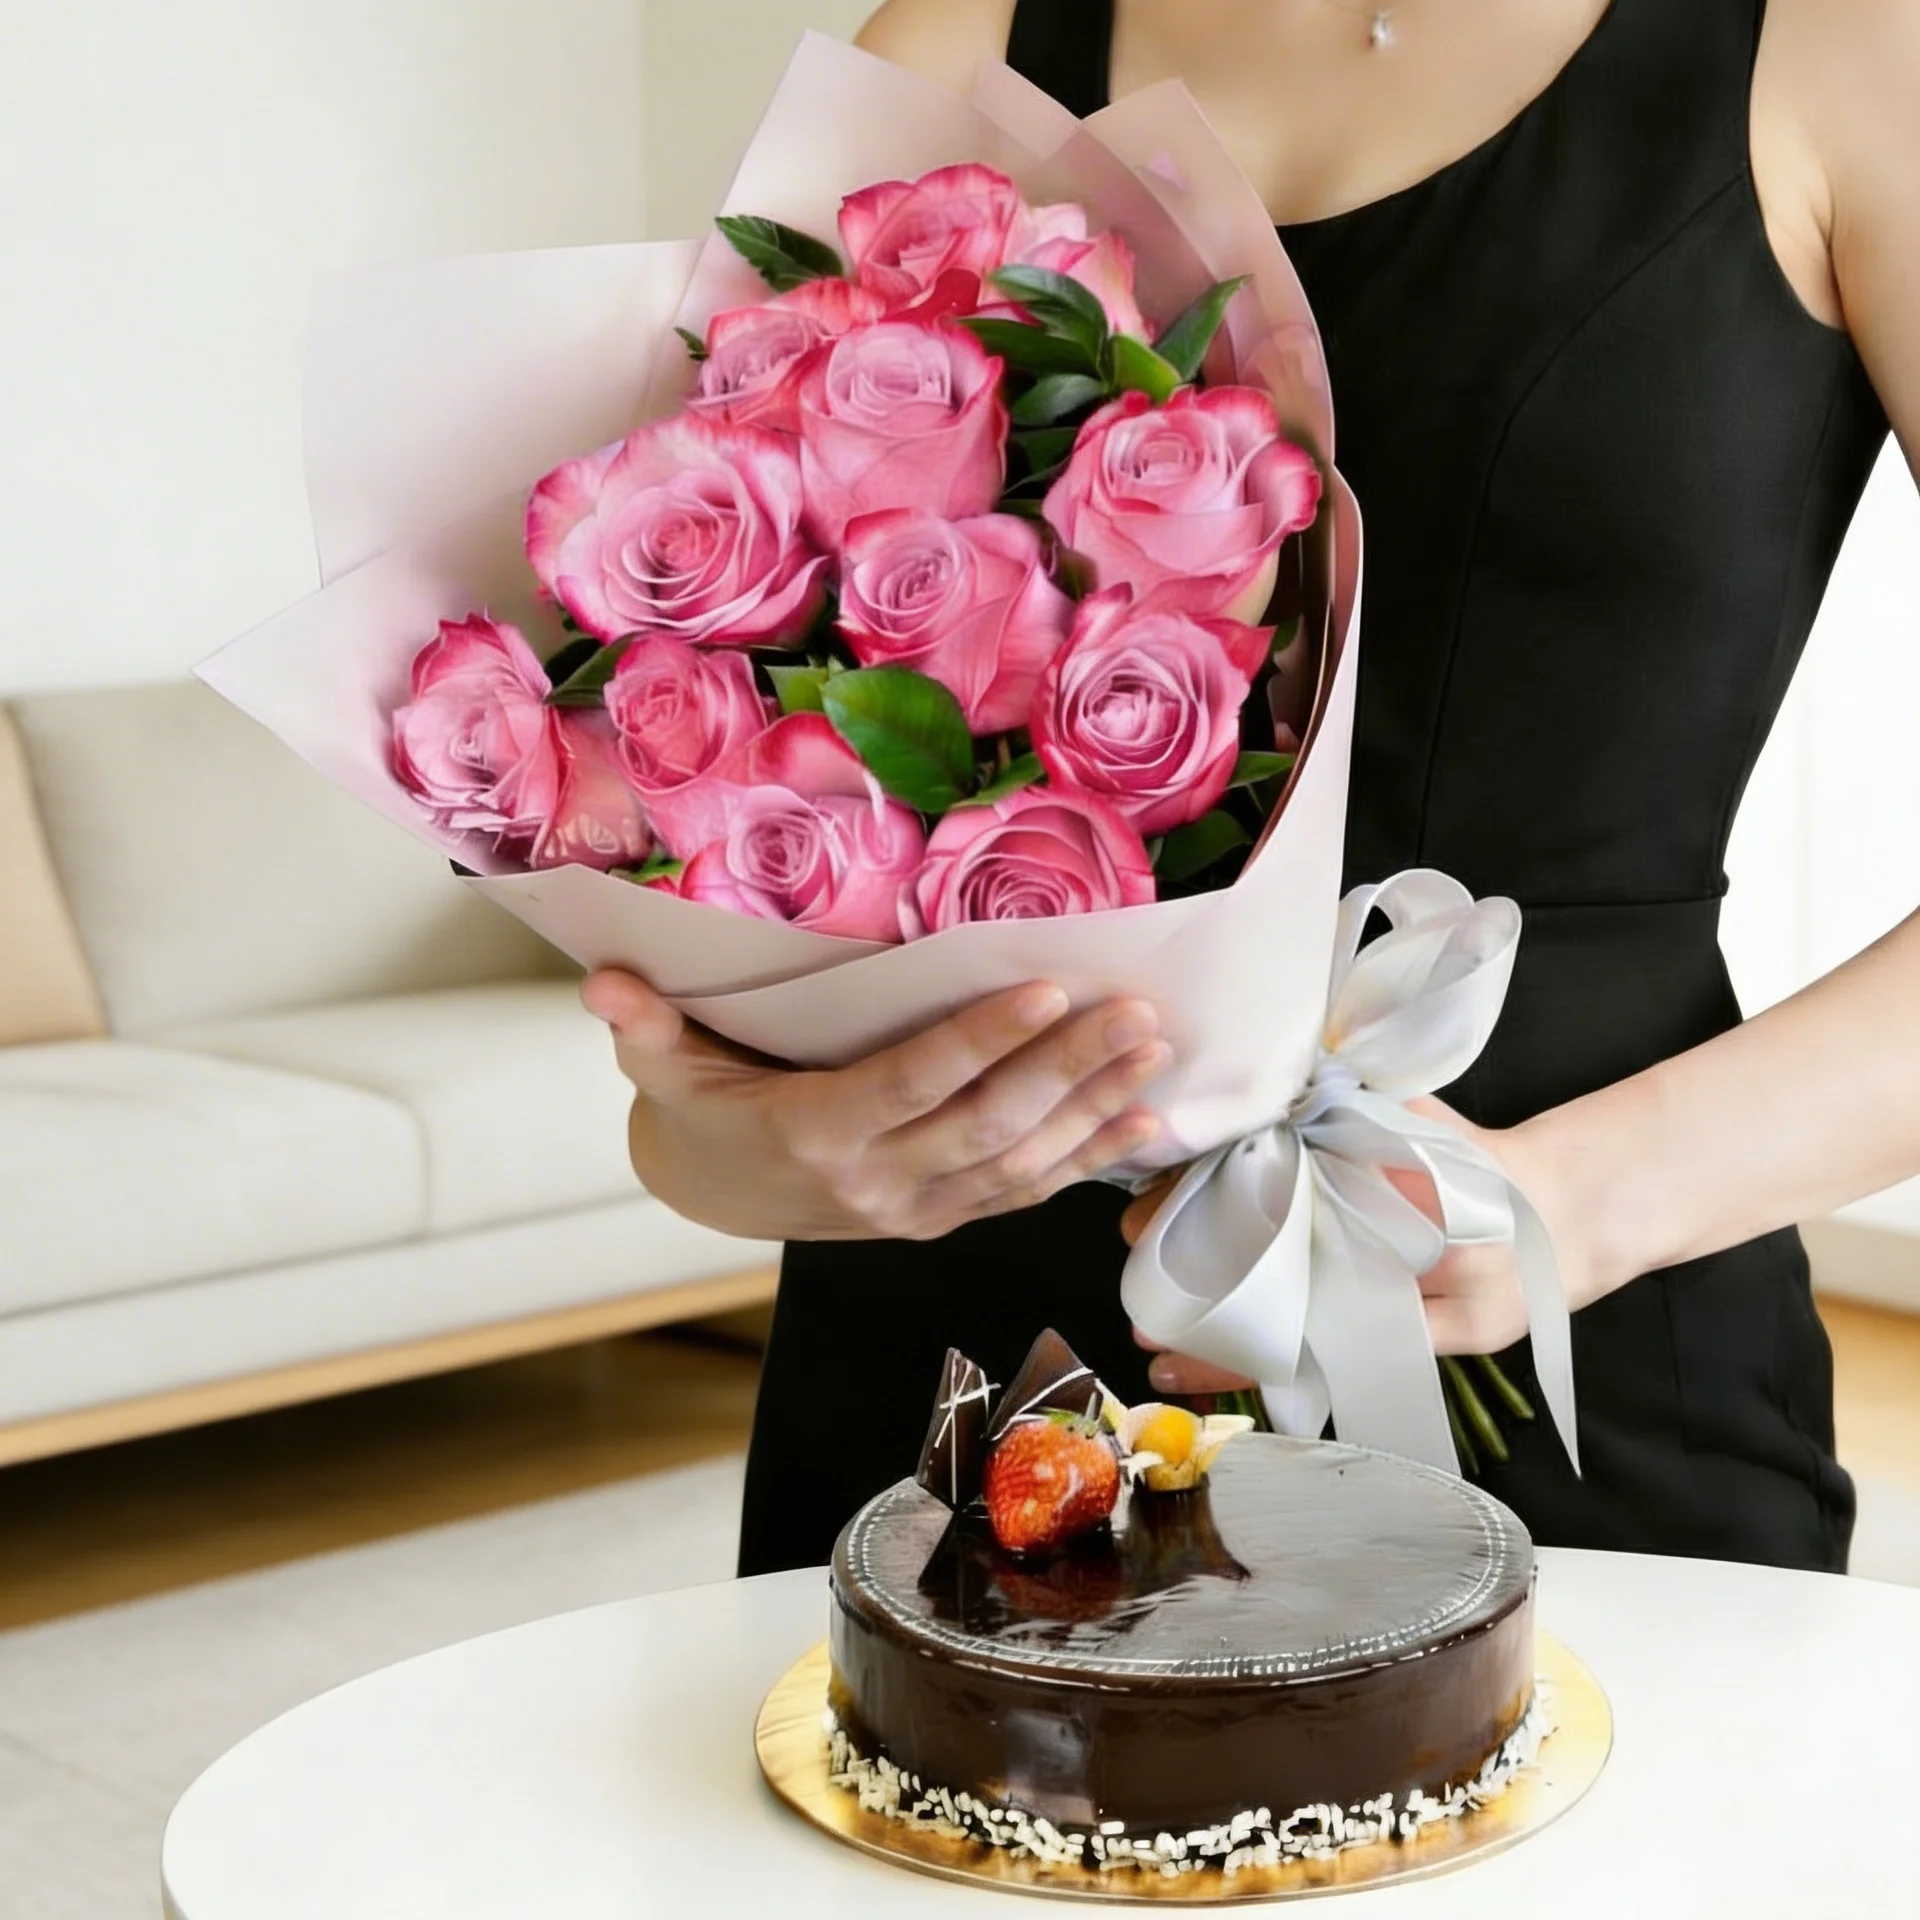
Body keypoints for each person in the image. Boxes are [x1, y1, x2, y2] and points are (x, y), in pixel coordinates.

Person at [581, 0, 1920, 1579]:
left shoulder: (1849, 46)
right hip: (953, 1376)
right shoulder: (951, 42)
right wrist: (752, 1143)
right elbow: (714, 895)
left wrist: (1564, 1201)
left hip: (1573, 1345)